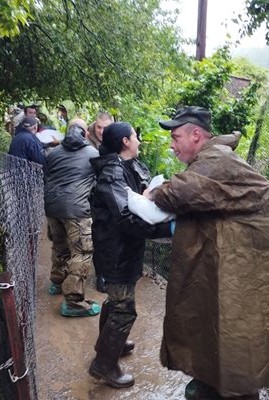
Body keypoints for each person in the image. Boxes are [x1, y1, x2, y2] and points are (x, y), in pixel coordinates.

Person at [148, 106, 269, 400]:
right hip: (236, 262)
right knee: (216, 320)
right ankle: (214, 381)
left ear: (196, 135)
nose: (172, 145)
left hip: (250, 265)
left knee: (239, 330)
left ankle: (234, 388)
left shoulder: (216, 159)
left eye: (176, 137)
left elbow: (180, 192)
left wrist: (151, 193)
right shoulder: (210, 158)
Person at [88, 122, 171, 388]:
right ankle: (104, 365)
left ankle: (110, 345)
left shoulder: (129, 165)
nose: (139, 141)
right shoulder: (112, 172)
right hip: (116, 251)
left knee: (115, 302)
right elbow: (124, 217)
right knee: (124, 309)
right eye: (136, 137)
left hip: (125, 249)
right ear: (125, 141)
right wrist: (164, 229)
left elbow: (141, 195)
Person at [44, 119, 100, 317]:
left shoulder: (53, 153)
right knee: (82, 251)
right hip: (76, 209)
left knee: (60, 246)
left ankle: (56, 283)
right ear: (85, 134)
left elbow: (47, 176)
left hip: (52, 207)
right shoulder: (93, 153)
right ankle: (74, 302)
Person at [85, 111, 114, 293]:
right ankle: (101, 275)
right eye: (99, 127)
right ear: (94, 126)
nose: (102, 131)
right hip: (94, 194)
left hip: (112, 192)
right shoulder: (87, 140)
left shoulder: (117, 136)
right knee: (100, 236)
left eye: (105, 127)